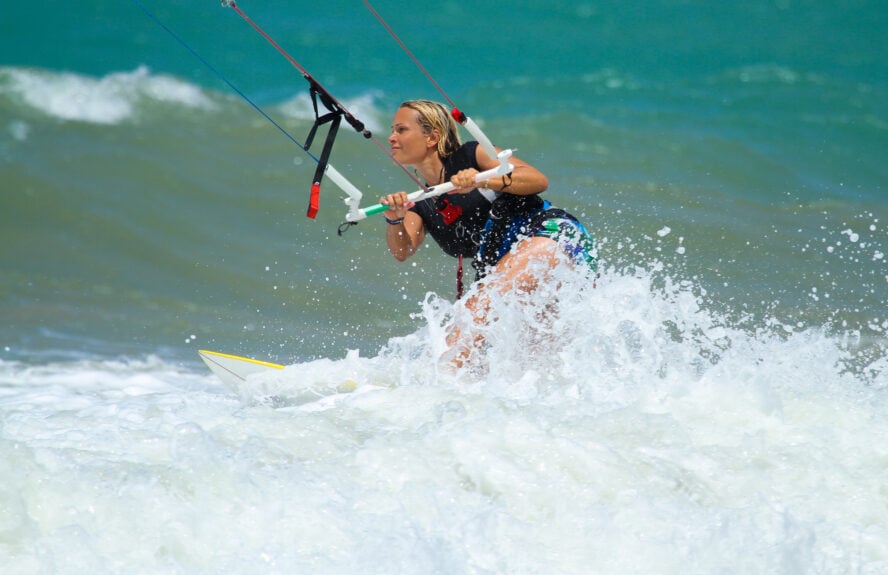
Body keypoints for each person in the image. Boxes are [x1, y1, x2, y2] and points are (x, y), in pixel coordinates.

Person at [379, 100, 596, 365]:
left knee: (470, 319)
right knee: (534, 365)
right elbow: (403, 250)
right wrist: (394, 219)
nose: (391, 137)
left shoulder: (472, 155)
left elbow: (537, 180)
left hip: (553, 239)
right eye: (393, 130)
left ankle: (424, 394)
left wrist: (482, 180)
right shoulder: (422, 202)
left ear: (432, 137)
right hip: (516, 270)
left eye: (401, 130)